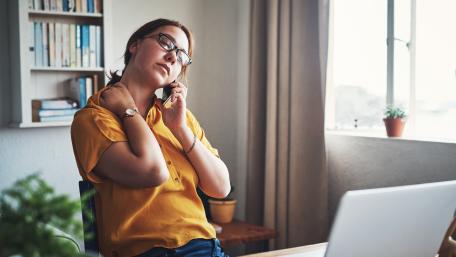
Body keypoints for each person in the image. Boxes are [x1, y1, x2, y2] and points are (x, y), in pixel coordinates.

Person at [71, 18, 231, 257]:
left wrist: (180, 129)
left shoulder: (179, 117)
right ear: (134, 45)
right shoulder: (94, 118)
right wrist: (128, 111)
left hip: (206, 247)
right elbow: (153, 172)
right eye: (166, 43)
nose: (172, 57)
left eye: (182, 56)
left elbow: (221, 188)